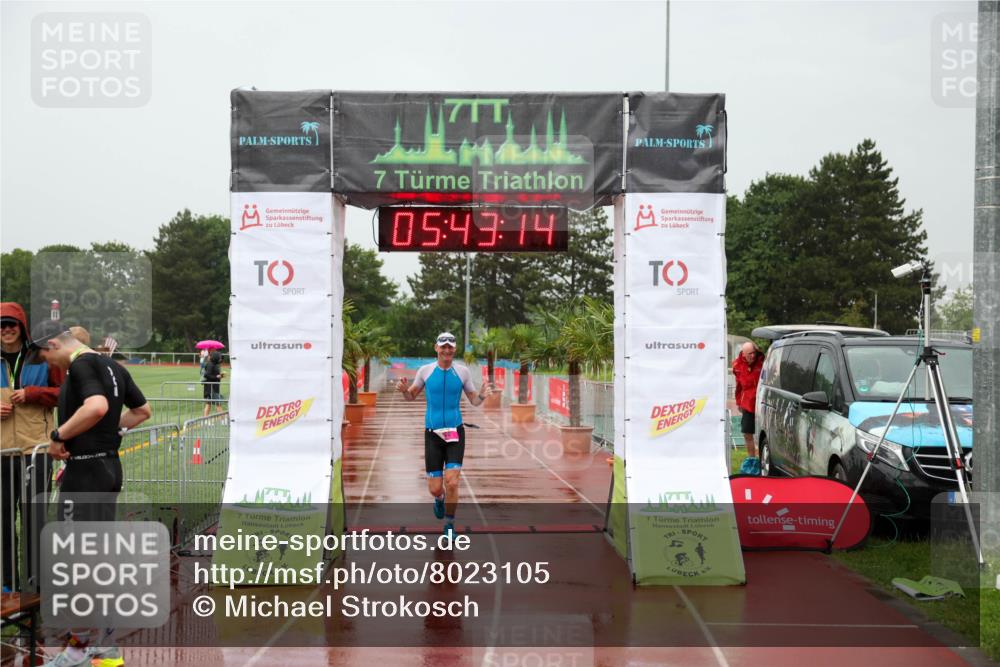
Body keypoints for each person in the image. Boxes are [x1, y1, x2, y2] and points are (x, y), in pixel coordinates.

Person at [31, 321, 151, 667]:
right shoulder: (112, 365)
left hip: (85, 474)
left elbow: (96, 406)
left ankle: (79, 651)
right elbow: (142, 411)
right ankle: (105, 647)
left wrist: (58, 436)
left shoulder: (82, 364)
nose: (49, 365)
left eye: (44, 356)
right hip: (108, 469)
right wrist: (109, 431)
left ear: (53, 344)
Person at [395, 332, 493, 538]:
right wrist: (404, 390)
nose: (447, 350)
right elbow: (411, 396)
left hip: (455, 433)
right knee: (435, 488)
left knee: (453, 482)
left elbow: (474, 400)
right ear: (436, 348)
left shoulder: (463, 372)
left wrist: (482, 395)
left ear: (455, 349)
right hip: (432, 435)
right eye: (443, 346)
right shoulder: (426, 371)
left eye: (450, 346)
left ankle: (449, 525)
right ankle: (438, 499)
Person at [0, 304, 64, 591]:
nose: (6, 330)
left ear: (22, 326)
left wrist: (34, 393)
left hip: (35, 454)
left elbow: (66, 394)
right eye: (1, 325)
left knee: (34, 521)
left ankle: (35, 585)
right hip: (1, 454)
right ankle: (7, 587)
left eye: (11, 323)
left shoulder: (42, 358)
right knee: (3, 524)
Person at [733, 341, 764, 475]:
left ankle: (763, 459)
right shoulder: (737, 365)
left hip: (762, 402)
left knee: (763, 433)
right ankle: (752, 460)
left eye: (754, 353)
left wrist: (759, 352)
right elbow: (738, 386)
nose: (752, 356)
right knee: (747, 433)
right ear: (743, 354)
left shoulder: (762, 361)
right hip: (747, 403)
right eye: (749, 354)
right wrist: (738, 402)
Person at [202, 349, 224, 417]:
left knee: (209, 404)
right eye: (219, 357)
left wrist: (220, 376)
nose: (220, 359)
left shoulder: (214, 364)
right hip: (211, 388)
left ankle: (205, 419)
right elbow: (207, 375)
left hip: (213, 387)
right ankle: (223, 418)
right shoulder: (210, 364)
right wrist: (216, 376)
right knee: (217, 403)